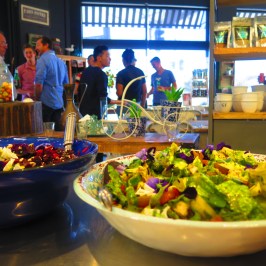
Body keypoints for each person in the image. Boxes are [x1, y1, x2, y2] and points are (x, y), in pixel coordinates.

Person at [34, 36, 69, 131]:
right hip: (59, 103)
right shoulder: (61, 62)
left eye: (38, 45)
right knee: (58, 133)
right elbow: (67, 84)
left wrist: (36, 98)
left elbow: (38, 84)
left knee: (44, 134)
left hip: (46, 103)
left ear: (46, 45)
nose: (36, 48)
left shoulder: (42, 60)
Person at [78, 45, 119, 119]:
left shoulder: (85, 72)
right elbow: (103, 98)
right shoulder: (101, 75)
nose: (110, 59)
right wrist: (120, 102)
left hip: (82, 115)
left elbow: (79, 93)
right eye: (107, 56)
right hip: (95, 117)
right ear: (99, 58)